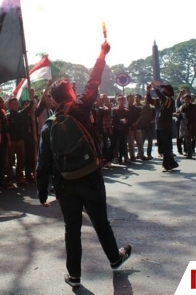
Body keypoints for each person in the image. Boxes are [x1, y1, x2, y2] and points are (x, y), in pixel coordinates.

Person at [37, 41, 131, 288]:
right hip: (90, 176)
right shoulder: (80, 108)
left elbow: (43, 162)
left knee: (72, 229)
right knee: (101, 221)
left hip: (64, 183)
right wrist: (102, 53)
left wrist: (41, 193)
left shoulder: (48, 125)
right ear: (69, 94)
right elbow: (94, 81)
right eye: (72, 88)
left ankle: (74, 275)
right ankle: (114, 258)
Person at [146, 82, 178, 172]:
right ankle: (172, 163)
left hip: (166, 127)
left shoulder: (170, 100)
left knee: (166, 147)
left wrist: (155, 89)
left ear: (169, 91)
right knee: (161, 147)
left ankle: (166, 165)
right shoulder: (160, 101)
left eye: (165, 89)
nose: (163, 90)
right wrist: (148, 91)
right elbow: (149, 101)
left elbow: (163, 98)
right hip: (159, 126)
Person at [135, 94, 155, 159]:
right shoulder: (141, 107)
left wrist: (153, 121)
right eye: (145, 98)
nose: (146, 100)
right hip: (142, 127)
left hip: (150, 127)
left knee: (150, 142)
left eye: (147, 98)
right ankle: (139, 154)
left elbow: (155, 117)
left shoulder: (152, 108)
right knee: (141, 142)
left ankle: (149, 154)